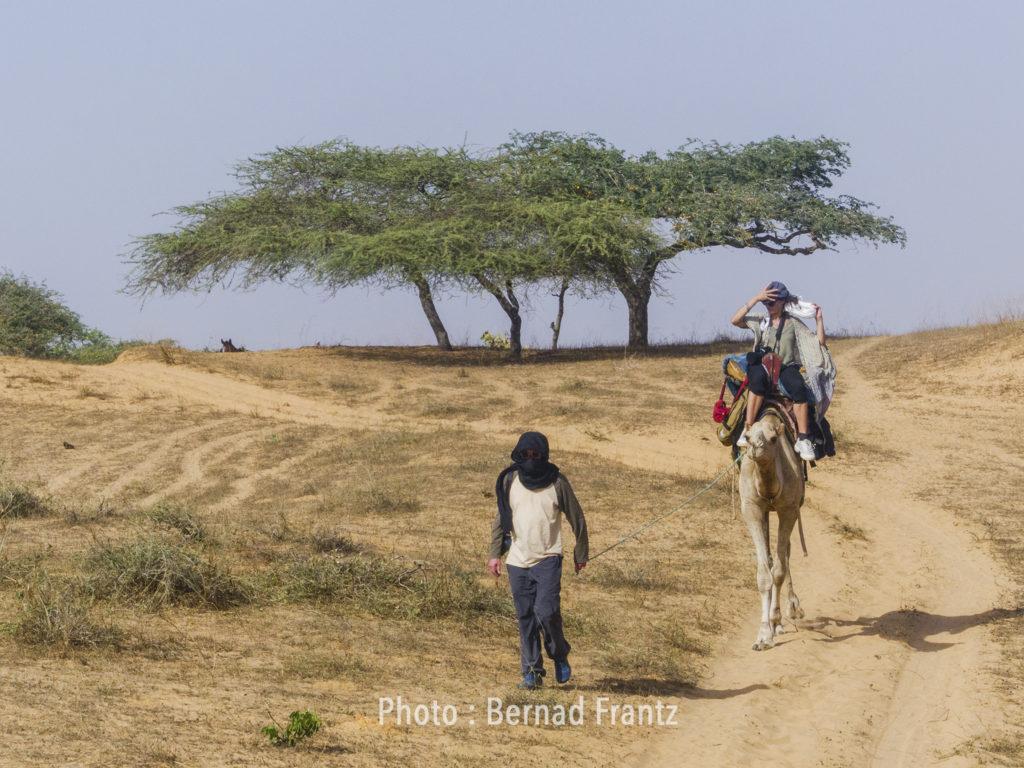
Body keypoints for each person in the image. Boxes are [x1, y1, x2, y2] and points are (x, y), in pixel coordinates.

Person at [487, 432, 588, 690]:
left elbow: (577, 518)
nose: (531, 459)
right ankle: (532, 671)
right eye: (526, 454)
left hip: (548, 557)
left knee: (547, 611)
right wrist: (494, 555)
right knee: (525, 616)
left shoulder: (557, 482)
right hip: (517, 560)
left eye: (536, 455)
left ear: (544, 456)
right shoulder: (510, 480)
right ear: (519, 454)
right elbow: (501, 519)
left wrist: (581, 553)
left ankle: (559, 653)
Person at [730, 281, 827, 461]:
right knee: (756, 379)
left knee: (799, 388)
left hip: (785, 367)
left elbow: (819, 343)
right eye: (766, 302)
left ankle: (803, 438)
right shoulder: (761, 320)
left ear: (782, 302)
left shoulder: (793, 323)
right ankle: (748, 428)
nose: (768, 306)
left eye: (772, 302)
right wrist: (756, 298)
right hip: (764, 364)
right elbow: (735, 320)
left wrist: (819, 319)